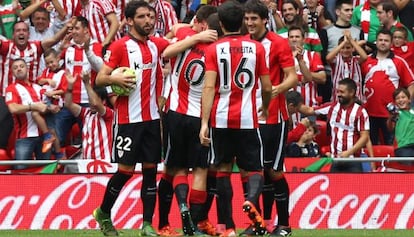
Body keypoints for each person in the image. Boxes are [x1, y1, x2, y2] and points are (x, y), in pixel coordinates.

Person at [92, 1, 169, 236]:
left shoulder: (157, 44)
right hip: (128, 120)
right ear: (128, 21)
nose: (148, 20)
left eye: (151, 16)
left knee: (150, 171)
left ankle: (147, 225)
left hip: (153, 120)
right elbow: (99, 80)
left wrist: (197, 35)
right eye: (142, 17)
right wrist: (115, 80)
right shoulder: (119, 47)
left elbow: (178, 43)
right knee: (125, 171)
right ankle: (103, 212)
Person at [199, 1, 272, 236]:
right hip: (248, 120)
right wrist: (267, 106)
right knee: (254, 170)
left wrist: (204, 123)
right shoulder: (256, 48)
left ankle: (228, 227)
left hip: (220, 119)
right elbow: (267, 86)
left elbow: (209, 87)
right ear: (242, 22)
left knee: (222, 170)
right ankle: (251, 200)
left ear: (220, 24)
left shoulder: (213, 49)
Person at [159, 4, 218, 236]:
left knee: (176, 168)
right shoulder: (218, 49)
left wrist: (192, 32)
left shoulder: (187, 35)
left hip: (175, 112)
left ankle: (181, 209)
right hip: (202, 116)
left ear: (203, 25)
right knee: (201, 169)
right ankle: (194, 223)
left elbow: (173, 34)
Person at [244, 1, 297, 236]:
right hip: (248, 118)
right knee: (256, 171)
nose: (250, 23)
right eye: (246, 19)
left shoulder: (278, 43)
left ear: (265, 19)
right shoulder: (244, 44)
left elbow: (292, 77)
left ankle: (284, 225)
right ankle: (260, 224)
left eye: (254, 18)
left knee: (273, 172)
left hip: (274, 117)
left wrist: (276, 90)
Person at [299, 78, 370, 172]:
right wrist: (292, 103)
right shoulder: (332, 107)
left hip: (353, 160)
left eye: (342, 92)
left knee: (353, 186)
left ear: (352, 92)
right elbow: (309, 110)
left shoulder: (360, 112)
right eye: (337, 92)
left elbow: (364, 137)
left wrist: (349, 152)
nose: (339, 94)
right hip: (335, 160)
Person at [55, 16, 103, 147]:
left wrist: (87, 51)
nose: (73, 32)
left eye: (76, 28)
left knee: (88, 141)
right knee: (56, 139)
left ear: (86, 30)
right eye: (71, 29)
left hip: (88, 103)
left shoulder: (96, 46)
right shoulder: (68, 47)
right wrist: (60, 48)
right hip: (68, 102)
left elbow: (100, 68)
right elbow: (53, 65)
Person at [361, 29, 414, 145]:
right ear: (376, 42)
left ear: (391, 44)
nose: (383, 42)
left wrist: (405, 102)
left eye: (386, 40)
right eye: (380, 40)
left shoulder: (399, 61)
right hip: (368, 112)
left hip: (390, 114)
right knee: (371, 148)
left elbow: (411, 83)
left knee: (391, 147)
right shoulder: (366, 60)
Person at [5, 58, 54, 169]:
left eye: (21, 66)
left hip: (44, 138)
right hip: (24, 137)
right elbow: (13, 108)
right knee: (20, 171)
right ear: (12, 72)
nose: (19, 69)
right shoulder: (11, 89)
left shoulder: (38, 88)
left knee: (46, 170)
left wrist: (49, 107)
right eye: (15, 68)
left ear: (27, 69)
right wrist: (33, 107)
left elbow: (47, 105)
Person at [64, 70, 114, 162]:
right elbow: (68, 104)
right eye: (89, 98)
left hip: (104, 163)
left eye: (93, 98)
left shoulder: (109, 114)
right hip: (86, 164)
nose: (90, 102)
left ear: (103, 101)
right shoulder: (85, 113)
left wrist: (87, 83)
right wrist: (70, 86)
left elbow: (95, 103)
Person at [36, 48, 67, 160]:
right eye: (48, 63)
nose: (50, 65)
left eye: (52, 62)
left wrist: (53, 92)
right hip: (43, 99)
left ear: (58, 59)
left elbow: (64, 89)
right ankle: (56, 151)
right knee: (50, 128)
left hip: (54, 102)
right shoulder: (46, 72)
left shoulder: (63, 73)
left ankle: (50, 140)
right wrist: (48, 81)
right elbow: (39, 81)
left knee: (51, 128)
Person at [288, 26, 326, 112]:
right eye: (291, 37)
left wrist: (305, 73)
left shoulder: (312, 55)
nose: (294, 39)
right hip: (289, 108)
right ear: (288, 40)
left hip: (309, 106)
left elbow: (322, 78)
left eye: (297, 37)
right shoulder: (282, 57)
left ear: (303, 40)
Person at [326, 30, 367, 102]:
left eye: (348, 48)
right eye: (342, 48)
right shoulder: (336, 60)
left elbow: (364, 57)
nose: (345, 50)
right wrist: (344, 42)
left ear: (352, 49)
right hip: (338, 98)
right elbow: (328, 58)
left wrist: (351, 40)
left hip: (355, 98)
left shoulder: (356, 60)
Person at [387, 88, 414, 158]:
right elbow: (390, 128)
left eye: (403, 97)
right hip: (402, 147)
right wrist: (391, 117)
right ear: (395, 102)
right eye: (397, 98)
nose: (401, 100)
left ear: (409, 99)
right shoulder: (396, 114)